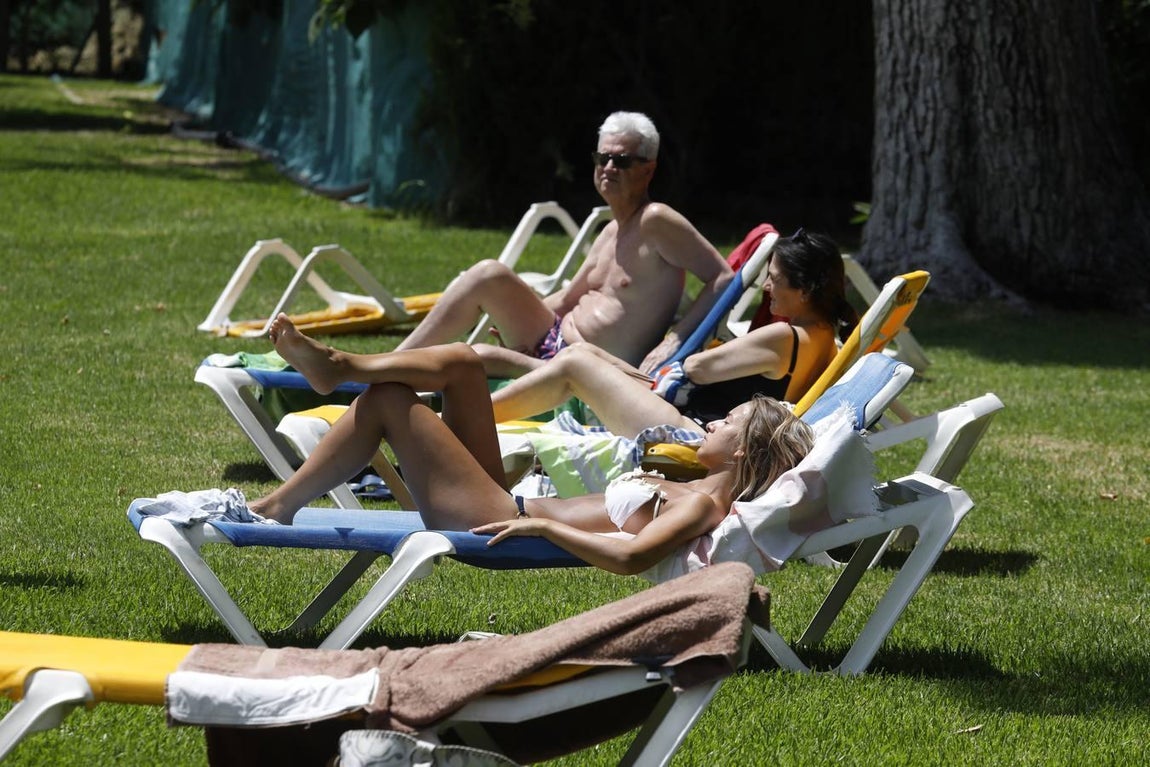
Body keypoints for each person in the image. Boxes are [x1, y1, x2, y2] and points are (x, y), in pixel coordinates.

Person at [251, 324, 813, 575]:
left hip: (491, 518)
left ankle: (280, 504)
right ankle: (339, 367)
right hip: (507, 501)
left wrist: (546, 530)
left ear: (743, 454)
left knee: (390, 403)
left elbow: (628, 558)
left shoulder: (697, 506)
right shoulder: (690, 486)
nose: (711, 423)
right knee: (466, 365)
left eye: (726, 423)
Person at [395, 111, 733, 377]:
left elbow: (724, 278)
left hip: (587, 366)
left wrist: (675, 341)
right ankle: (389, 364)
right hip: (553, 340)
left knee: (474, 358)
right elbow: (568, 299)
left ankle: (383, 374)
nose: (609, 168)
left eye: (622, 160)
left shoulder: (657, 220)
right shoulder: (611, 231)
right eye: (603, 159)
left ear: (648, 169)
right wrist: (512, 320)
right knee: (488, 274)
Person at [485, 229, 859, 435]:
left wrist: (718, 348)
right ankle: (484, 410)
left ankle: (474, 420)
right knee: (579, 354)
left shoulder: (782, 338)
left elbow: (697, 368)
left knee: (573, 366)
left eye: (774, 280)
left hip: (690, 430)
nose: (766, 288)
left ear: (805, 290)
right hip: (684, 410)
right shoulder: (825, 337)